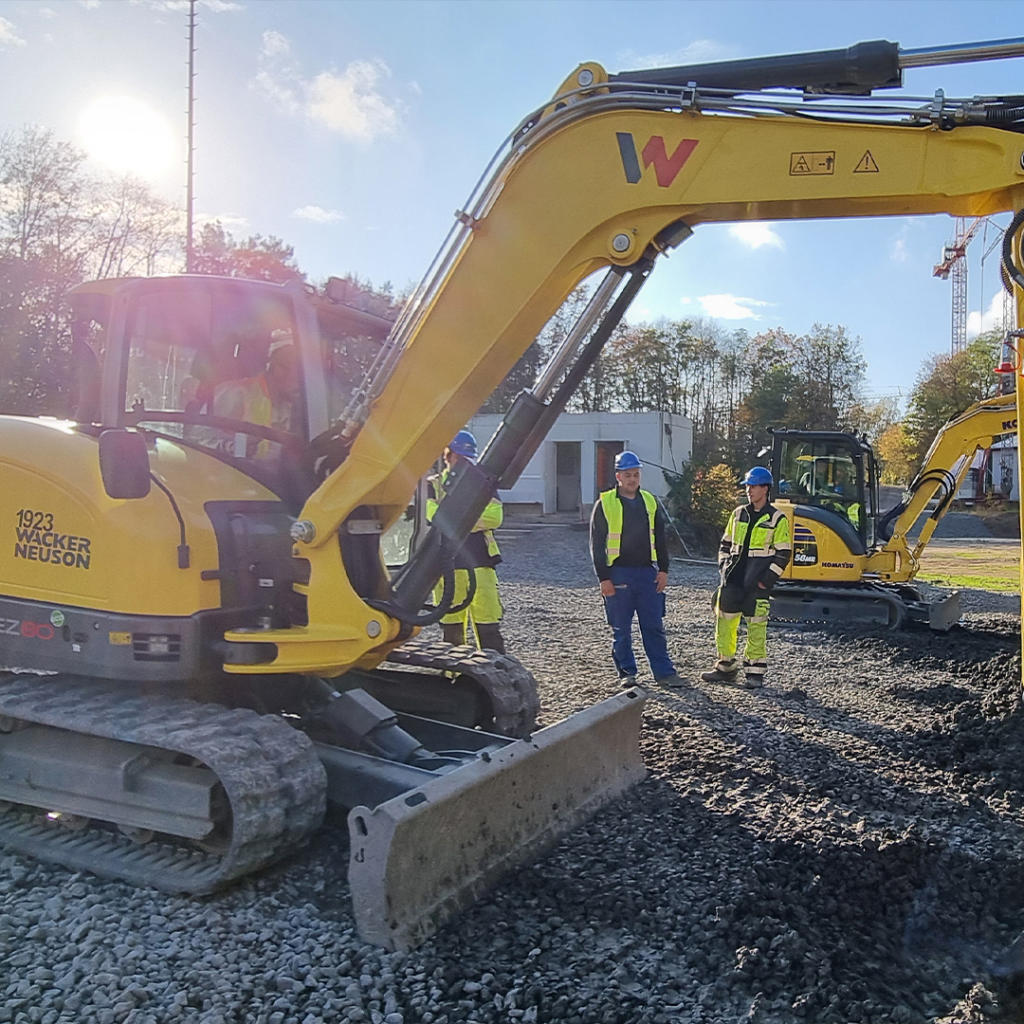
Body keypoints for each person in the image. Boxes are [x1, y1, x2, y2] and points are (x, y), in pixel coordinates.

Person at [589, 450, 679, 687]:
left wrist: (663, 569)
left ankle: (664, 673)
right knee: (622, 628)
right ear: (618, 476)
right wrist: (603, 578)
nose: (632, 479)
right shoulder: (605, 503)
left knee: (654, 626)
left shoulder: (649, 501)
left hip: (646, 572)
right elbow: (597, 544)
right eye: (628, 475)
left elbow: (660, 537)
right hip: (618, 572)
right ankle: (627, 673)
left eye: (636, 474)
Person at [701, 466, 792, 689]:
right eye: (748, 486)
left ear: (765, 488)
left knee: (757, 627)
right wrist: (724, 566)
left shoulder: (777, 518)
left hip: (757, 584)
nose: (749, 490)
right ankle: (725, 667)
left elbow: (784, 553)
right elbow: (725, 544)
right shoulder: (738, 513)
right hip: (732, 581)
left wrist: (766, 581)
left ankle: (755, 672)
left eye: (753, 486)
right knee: (724, 624)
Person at [427, 429, 506, 653]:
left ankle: (494, 671)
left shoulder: (481, 483)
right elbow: (431, 514)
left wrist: (453, 519)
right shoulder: (433, 485)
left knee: (488, 621)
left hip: (480, 560)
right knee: (451, 627)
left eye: (467, 460)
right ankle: (453, 678)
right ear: (447, 456)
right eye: (460, 458)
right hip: (446, 564)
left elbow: (495, 516)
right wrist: (467, 517)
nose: (463, 464)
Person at [213, 337, 301, 457]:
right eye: (285, 367)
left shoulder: (299, 407)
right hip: (236, 472)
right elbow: (199, 439)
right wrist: (234, 449)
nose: (292, 375)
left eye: (298, 371)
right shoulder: (236, 393)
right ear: (270, 364)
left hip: (278, 474)